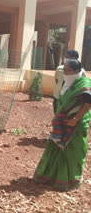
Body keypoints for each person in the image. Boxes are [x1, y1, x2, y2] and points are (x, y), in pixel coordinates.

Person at [33, 60, 91, 191]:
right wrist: (56, 116)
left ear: (76, 71)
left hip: (76, 125)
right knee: (56, 148)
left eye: (67, 70)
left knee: (72, 151)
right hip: (62, 122)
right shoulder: (67, 83)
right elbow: (62, 102)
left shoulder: (84, 83)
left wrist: (75, 119)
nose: (64, 73)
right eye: (63, 70)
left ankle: (70, 179)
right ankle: (51, 176)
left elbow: (87, 104)